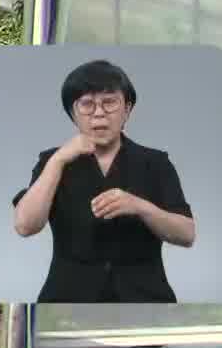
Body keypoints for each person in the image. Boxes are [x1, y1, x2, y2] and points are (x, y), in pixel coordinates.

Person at [11, 59, 196, 302]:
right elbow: (25, 226)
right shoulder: (52, 161)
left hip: (145, 298)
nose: (99, 112)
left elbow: (187, 234)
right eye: (87, 104)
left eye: (109, 102)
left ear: (127, 109)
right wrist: (58, 161)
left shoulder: (155, 163)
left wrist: (140, 206)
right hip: (68, 299)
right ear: (72, 114)